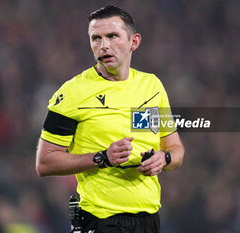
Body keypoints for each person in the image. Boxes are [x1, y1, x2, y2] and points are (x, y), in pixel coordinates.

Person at [35, 5, 184, 233]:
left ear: (134, 42)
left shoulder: (151, 87)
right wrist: (101, 158)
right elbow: (44, 163)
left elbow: (175, 149)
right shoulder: (73, 93)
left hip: (149, 221)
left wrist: (163, 158)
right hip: (101, 220)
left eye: (112, 36)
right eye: (96, 38)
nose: (103, 45)